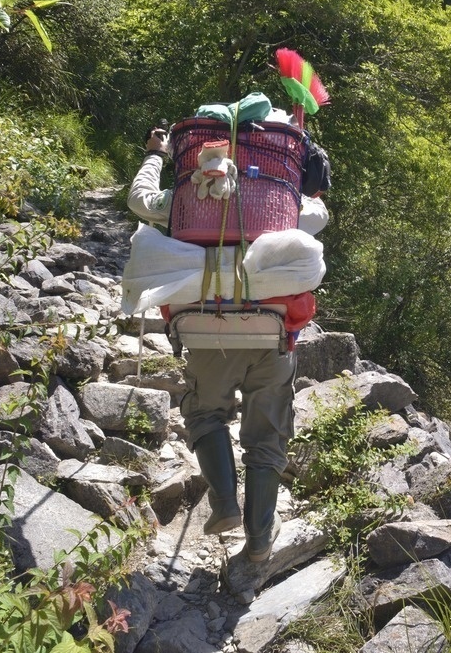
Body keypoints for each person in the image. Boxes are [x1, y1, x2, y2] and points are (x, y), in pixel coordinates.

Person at [127, 126, 327, 562]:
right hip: (271, 336)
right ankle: (258, 542)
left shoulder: (183, 201)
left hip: (206, 334)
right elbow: (318, 216)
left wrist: (155, 155)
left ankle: (224, 505)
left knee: (203, 414)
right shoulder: (282, 204)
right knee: (267, 438)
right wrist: (306, 178)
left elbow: (139, 200)